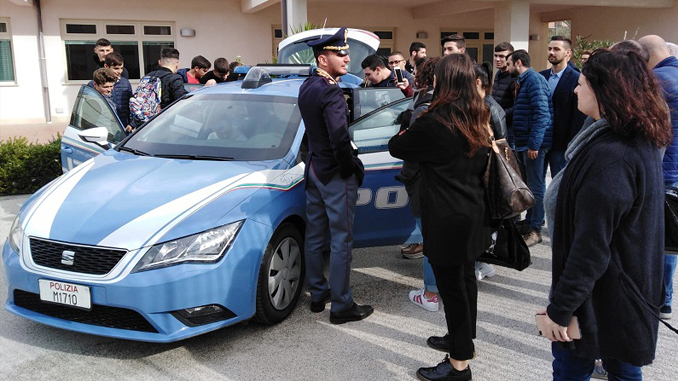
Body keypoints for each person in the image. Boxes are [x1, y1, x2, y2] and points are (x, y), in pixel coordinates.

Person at [541, 48, 670, 381]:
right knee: (623, 367)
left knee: (576, 369)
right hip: (621, 293)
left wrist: (560, 309)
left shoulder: (612, 157)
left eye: (582, 83)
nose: (575, 89)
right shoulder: (633, 138)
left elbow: (591, 247)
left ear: (604, 91)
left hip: (604, 299)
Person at [389, 53, 492, 381]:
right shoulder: (478, 114)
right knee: (464, 281)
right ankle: (463, 339)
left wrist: (408, 124)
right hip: (474, 213)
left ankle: (459, 363)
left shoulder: (435, 122)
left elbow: (396, 147)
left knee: (453, 290)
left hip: (447, 218)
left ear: (443, 81)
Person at [298, 27, 373, 324]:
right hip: (333, 174)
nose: (346, 58)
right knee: (342, 240)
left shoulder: (308, 85)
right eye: (339, 54)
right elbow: (340, 138)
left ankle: (318, 294)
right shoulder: (330, 91)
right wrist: (351, 169)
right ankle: (342, 305)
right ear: (322, 58)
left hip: (315, 169)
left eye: (346, 53)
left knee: (315, 235)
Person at [393, 56, 440, 311]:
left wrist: (407, 177)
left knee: (430, 240)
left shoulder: (425, 108)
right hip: (442, 185)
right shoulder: (454, 103)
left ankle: (430, 294)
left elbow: (411, 150)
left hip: (424, 183)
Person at [639, 35, 678, 321]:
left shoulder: (659, 81)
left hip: (664, 170)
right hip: (673, 168)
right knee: (671, 236)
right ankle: (664, 300)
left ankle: (656, 299)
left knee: (658, 238)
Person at [506, 49, 553, 246]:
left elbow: (542, 114)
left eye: (508, 63)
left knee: (536, 184)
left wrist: (535, 144)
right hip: (523, 142)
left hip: (533, 145)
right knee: (529, 185)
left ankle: (535, 229)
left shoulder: (534, 80)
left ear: (518, 63)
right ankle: (529, 221)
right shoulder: (522, 82)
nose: (506, 67)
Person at [540, 36, 586, 178]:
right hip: (541, 142)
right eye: (549, 49)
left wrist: (571, 144)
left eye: (556, 49)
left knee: (559, 184)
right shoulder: (541, 77)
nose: (551, 52)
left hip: (562, 144)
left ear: (568, 53)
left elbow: (578, 116)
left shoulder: (576, 79)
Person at [99, 52, 133, 130]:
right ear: (106, 66)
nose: (119, 71)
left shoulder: (125, 83)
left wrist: (132, 124)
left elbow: (131, 104)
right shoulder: (97, 84)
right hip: (105, 126)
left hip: (123, 126)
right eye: (116, 68)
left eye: (121, 68)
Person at [491, 42, 516, 146]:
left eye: (501, 56)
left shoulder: (514, 77)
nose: (497, 59)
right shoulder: (498, 74)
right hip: (498, 123)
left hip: (510, 128)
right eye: (496, 55)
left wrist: (501, 114)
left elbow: (517, 105)